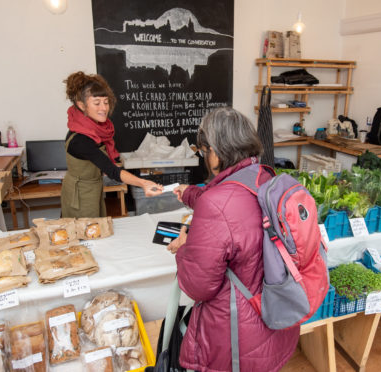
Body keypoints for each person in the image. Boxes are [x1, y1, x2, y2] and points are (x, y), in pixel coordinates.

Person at [167, 107, 299, 371]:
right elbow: (231, 203)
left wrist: (184, 248)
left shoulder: (217, 204)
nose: (204, 157)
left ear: (216, 151)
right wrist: (191, 194)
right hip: (277, 318)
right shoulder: (266, 176)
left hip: (237, 337)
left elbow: (198, 286)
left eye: (204, 151)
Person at [61, 71, 162, 218]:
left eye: (106, 102)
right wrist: (143, 183)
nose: (103, 108)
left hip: (94, 188)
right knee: (85, 235)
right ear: (81, 105)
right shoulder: (81, 139)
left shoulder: (95, 129)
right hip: (80, 195)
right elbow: (112, 169)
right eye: (97, 103)